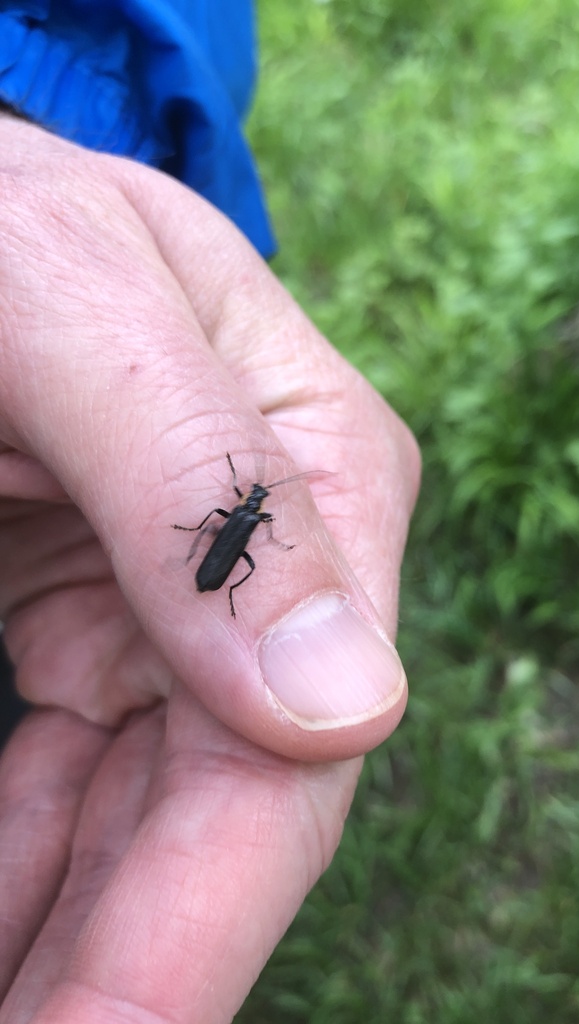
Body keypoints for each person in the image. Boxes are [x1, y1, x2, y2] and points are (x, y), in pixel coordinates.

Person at [0, 3, 420, 1021]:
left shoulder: (236, 519)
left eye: (242, 505)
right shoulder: (232, 514)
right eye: (243, 502)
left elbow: (229, 537)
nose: (240, 509)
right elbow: (224, 531)